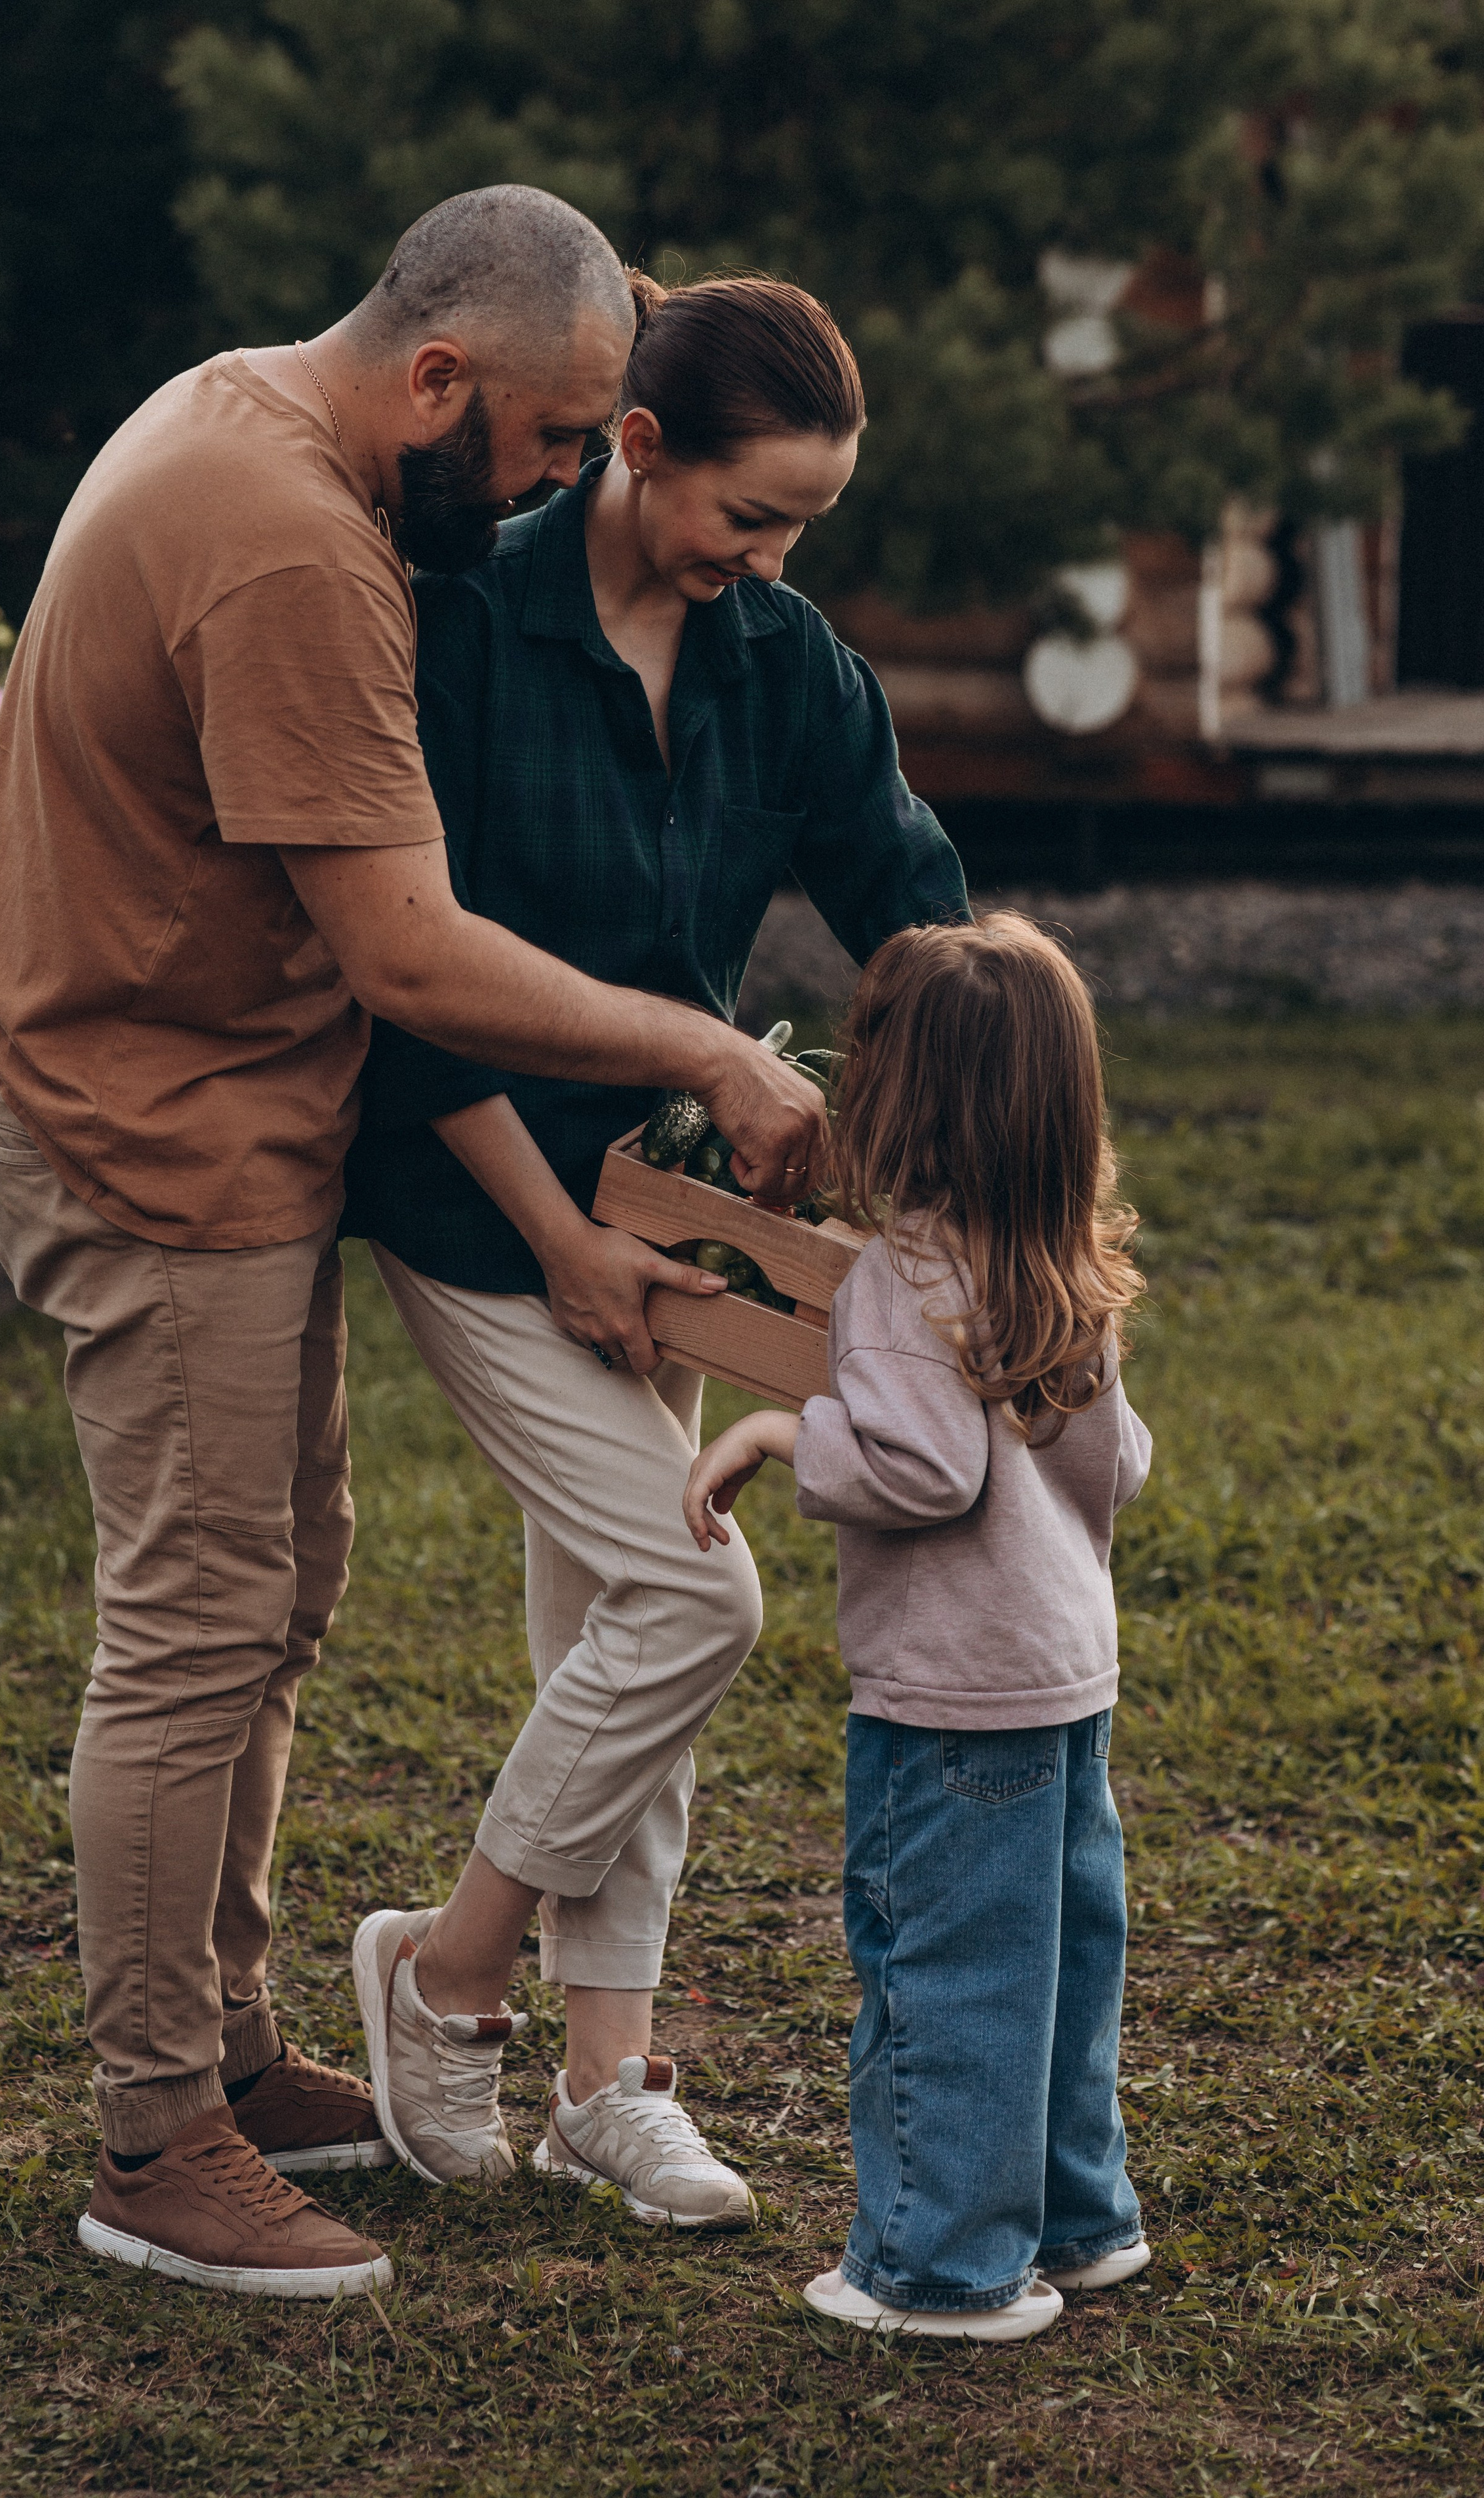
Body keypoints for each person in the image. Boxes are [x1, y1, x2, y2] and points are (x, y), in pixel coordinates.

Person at [0, 187, 823, 2302]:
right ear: (439, 380)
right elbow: (410, 955)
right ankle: (157, 2137)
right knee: (195, 1624)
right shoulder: (295, 547)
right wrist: (711, 1040)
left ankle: (235, 2047)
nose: (547, 484)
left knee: (275, 1591)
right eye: (540, 439)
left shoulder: (241, 416)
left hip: (219, 1125)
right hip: (146, 1135)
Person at [344, 272, 969, 2228]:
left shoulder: (786, 665)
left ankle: (608, 2081)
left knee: (613, 1634)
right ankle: (441, 1977)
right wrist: (560, 1244)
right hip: (473, 1200)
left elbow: (911, 908)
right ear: (634, 449)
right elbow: (408, 992)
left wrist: (985, 1100)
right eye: (749, 517)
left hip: (669, 1214)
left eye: (800, 530)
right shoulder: (454, 620)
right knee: (693, 1606)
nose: (768, 563)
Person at [683, 914, 1153, 2339]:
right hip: (1065, 1678)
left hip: (949, 1703)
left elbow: (921, 1471)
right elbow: (1114, 1464)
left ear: (894, 1094)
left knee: (940, 1971)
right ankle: (1078, 2221)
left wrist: (779, 1428)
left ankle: (940, 2267)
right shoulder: (1059, 1260)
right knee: (1059, 1962)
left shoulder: (900, 1278)